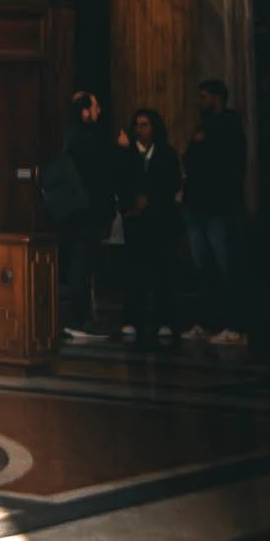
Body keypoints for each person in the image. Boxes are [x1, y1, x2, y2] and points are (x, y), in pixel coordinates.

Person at [181, 79, 248, 345]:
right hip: (198, 206)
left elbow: (226, 165)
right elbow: (190, 159)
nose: (199, 102)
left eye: (204, 96)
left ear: (217, 98)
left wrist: (202, 147)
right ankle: (206, 322)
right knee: (204, 269)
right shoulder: (203, 127)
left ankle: (236, 326)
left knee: (226, 267)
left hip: (220, 207)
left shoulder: (229, 126)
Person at [52, 89, 116, 342]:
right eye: (95, 106)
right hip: (87, 210)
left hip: (78, 210)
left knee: (83, 262)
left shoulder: (73, 136)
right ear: (85, 112)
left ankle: (80, 317)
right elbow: (99, 173)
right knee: (82, 262)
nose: (99, 111)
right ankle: (79, 319)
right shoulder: (84, 138)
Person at [116, 107, 182, 348]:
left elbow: (172, 182)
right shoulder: (128, 154)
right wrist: (130, 204)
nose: (140, 129)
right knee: (134, 270)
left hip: (159, 219)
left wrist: (151, 200)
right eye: (137, 125)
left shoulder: (165, 153)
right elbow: (120, 180)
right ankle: (133, 319)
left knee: (163, 270)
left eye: (145, 124)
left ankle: (166, 320)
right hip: (134, 220)